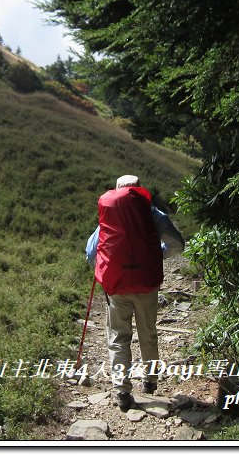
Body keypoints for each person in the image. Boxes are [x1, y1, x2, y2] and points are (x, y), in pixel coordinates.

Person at [85, 175, 185, 411]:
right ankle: (150, 381)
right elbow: (178, 245)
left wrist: (109, 266)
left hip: (117, 286)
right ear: (139, 190)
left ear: (117, 192)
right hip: (146, 284)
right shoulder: (154, 214)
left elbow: (91, 255)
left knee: (119, 338)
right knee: (148, 333)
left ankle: (122, 391)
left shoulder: (108, 216)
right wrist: (154, 254)